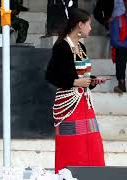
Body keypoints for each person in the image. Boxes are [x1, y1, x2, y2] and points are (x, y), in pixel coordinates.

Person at [46, 8, 108, 173]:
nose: (90, 28)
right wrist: (75, 82)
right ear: (79, 25)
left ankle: (94, 174)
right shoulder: (61, 47)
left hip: (84, 102)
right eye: (88, 24)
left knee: (92, 140)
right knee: (73, 142)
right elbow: (51, 75)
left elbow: (81, 75)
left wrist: (93, 80)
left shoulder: (80, 46)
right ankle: (69, 174)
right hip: (69, 105)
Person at [110, 0, 127, 93]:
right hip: (123, 49)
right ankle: (121, 83)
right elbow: (114, 41)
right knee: (121, 51)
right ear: (124, 4)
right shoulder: (117, 20)